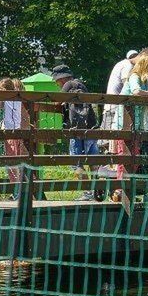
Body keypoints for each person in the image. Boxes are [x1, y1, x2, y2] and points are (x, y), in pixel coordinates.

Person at [50, 64, 100, 201]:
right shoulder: (81, 85)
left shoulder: (68, 85)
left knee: (75, 162)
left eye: (57, 81)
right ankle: (97, 191)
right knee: (93, 161)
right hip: (90, 128)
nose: (57, 84)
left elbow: (58, 102)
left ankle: (87, 192)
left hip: (76, 130)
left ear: (61, 79)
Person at [0, 77, 25, 183]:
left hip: (11, 133)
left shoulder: (10, 99)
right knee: (16, 161)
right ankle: (18, 187)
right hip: (17, 132)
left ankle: (16, 187)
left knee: (11, 162)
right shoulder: (19, 100)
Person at [103, 49, 138, 131]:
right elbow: (127, 86)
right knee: (110, 139)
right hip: (116, 109)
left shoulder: (121, 64)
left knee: (107, 139)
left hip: (112, 107)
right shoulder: (128, 65)